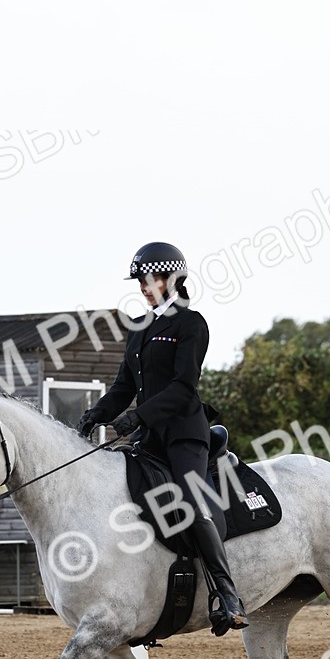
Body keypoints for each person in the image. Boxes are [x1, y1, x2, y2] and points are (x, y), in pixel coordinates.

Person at [76, 241, 248, 635]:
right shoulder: (139, 330)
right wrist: (95, 414)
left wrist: (138, 416)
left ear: (172, 279)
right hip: (150, 437)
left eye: (149, 278)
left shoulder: (191, 324)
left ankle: (227, 594)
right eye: (139, 279)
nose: (142, 286)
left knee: (189, 500)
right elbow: (123, 386)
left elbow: (183, 387)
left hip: (185, 435)